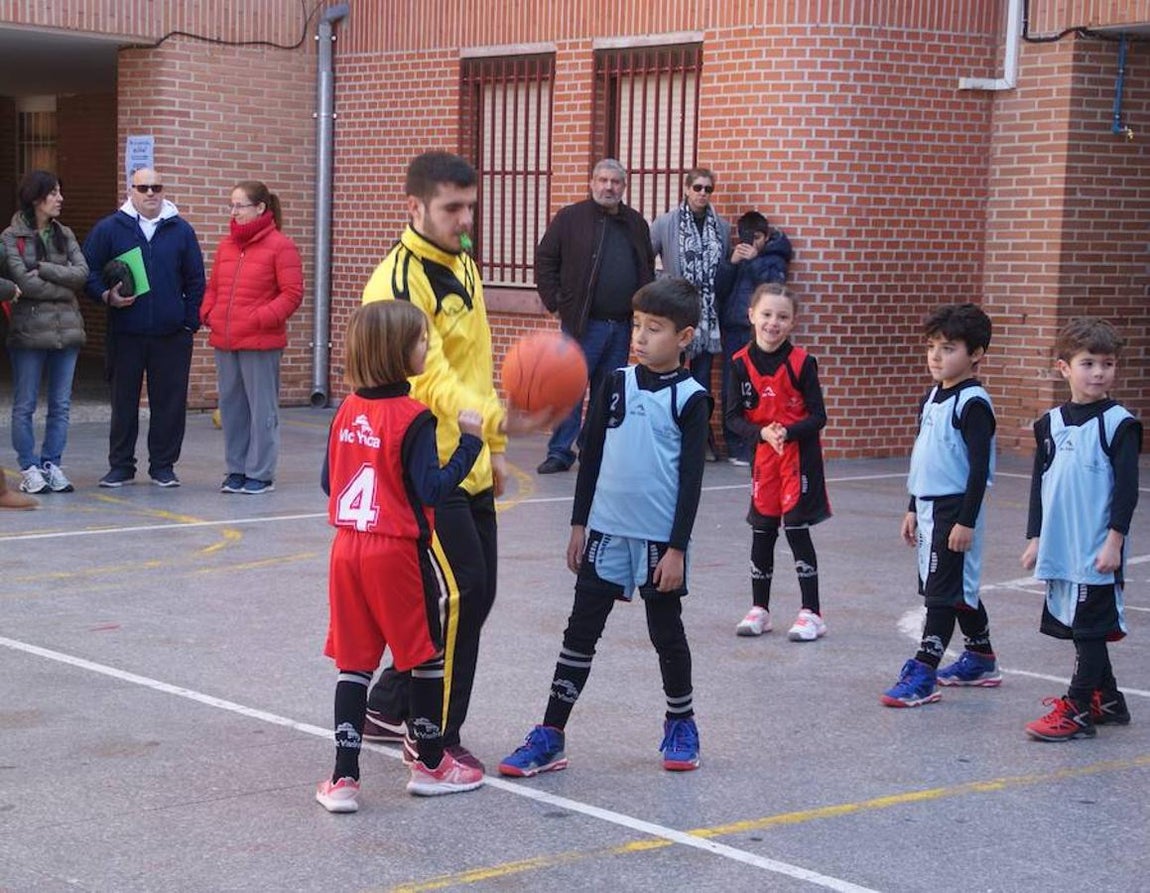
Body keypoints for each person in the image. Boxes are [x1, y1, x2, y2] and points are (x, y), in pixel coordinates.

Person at [360, 151, 548, 771]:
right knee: (460, 595)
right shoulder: (398, 282)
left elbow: (478, 359)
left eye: (471, 206)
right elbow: (431, 380)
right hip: (425, 468)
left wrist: (494, 450)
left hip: (468, 457)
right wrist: (498, 422)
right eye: (452, 208)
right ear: (414, 207)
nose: (466, 220)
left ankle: (387, 705)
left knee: (479, 593)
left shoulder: (463, 259)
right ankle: (431, 737)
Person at [498, 278, 712, 777]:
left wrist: (677, 549)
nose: (640, 337)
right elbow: (590, 456)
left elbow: (691, 482)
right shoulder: (616, 383)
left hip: (658, 540)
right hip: (606, 531)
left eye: (654, 329)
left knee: (666, 632)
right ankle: (550, 733)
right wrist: (579, 523)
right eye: (637, 326)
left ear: (684, 337)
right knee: (580, 632)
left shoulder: (692, 398)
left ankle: (681, 723)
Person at [316, 301, 486, 813]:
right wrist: (470, 445)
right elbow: (432, 489)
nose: (427, 346)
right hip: (395, 551)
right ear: (395, 352)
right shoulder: (413, 417)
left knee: (353, 664)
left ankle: (343, 779)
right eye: (420, 340)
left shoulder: (345, 410)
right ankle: (431, 764)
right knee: (425, 657)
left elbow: (329, 481)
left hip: (347, 549)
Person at [1020, 317, 1141, 741]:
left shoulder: (1119, 424)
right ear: (1064, 368)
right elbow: (1040, 485)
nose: (1099, 373)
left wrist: (1114, 542)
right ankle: (1109, 701)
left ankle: (1077, 710)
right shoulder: (1049, 424)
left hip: (1095, 548)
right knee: (1078, 627)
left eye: (1107, 364)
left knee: (1089, 629)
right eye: (1088, 363)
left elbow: (1126, 491)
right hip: (1061, 546)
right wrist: (1036, 537)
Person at [881, 303, 1000, 707]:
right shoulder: (931, 397)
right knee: (954, 588)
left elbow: (978, 469)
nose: (936, 356)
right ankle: (981, 658)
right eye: (932, 346)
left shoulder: (973, 404)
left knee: (941, 593)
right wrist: (913, 505)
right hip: (930, 506)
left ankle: (924, 670)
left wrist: (966, 520)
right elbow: (925, 457)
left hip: (955, 509)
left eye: (948, 348)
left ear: (976, 354)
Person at [83, 168, 206, 488]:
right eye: (143, 188)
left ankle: (163, 467)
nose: (150, 193)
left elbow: (196, 280)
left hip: (171, 335)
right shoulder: (109, 229)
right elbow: (88, 272)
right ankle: (121, 467)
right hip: (125, 332)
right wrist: (105, 295)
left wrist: (188, 323)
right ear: (131, 191)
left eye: (156, 187)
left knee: (169, 404)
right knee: (123, 403)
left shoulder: (181, 230)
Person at [535, 158, 655, 474]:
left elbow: (646, 268)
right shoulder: (570, 218)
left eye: (615, 182)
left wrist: (642, 314)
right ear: (591, 183)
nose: (608, 187)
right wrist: (555, 303)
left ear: (624, 187)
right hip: (582, 324)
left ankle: (593, 449)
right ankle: (560, 452)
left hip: (621, 325)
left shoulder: (635, 223)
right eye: (602, 180)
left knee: (606, 393)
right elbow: (545, 260)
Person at [726, 284, 831, 642]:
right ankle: (760, 609)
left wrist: (787, 430)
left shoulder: (802, 363)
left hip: (797, 457)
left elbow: (818, 416)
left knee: (796, 527)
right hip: (765, 457)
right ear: (751, 315)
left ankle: (812, 612)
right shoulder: (739, 363)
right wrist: (761, 433)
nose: (773, 322)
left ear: (793, 322)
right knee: (763, 529)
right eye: (767, 314)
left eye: (782, 316)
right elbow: (732, 418)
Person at [200, 180, 304, 495]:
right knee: (232, 410)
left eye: (240, 205)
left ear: (260, 208)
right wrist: (209, 312)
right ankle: (236, 470)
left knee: (262, 411)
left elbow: (292, 294)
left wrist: (259, 319)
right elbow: (214, 287)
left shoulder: (281, 246)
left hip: (260, 343)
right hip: (226, 340)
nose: (233, 212)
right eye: (231, 205)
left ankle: (260, 473)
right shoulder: (226, 246)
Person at [1, 170, 89, 495]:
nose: (60, 199)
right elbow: (24, 283)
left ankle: (52, 463)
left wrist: (46, 269)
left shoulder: (65, 233)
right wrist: (62, 285)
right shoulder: (11, 236)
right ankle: (29, 467)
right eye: (53, 193)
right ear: (36, 198)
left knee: (61, 404)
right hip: (28, 332)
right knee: (25, 403)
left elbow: (82, 273)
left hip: (68, 330)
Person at [650, 168, 730, 459]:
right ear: (686, 189)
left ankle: (698, 438)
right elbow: (645, 258)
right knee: (671, 373)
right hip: (677, 311)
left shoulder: (721, 227)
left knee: (702, 379)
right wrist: (663, 286)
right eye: (697, 187)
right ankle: (667, 436)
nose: (702, 193)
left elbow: (723, 268)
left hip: (708, 317)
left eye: (708, 189)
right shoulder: (666, 223)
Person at [714, 211, 792, 465]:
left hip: (759, 333)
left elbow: (774, 289)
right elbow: (720, 290)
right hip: (733, 330)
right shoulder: (737, 255)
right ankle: (734, 445)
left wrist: (754, 260)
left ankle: (754, 443)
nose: (752, 242)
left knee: (759, 389)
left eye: (757, 237)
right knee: (731, 388)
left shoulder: (774, 258)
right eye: (747, 237)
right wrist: (730, 264)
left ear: (766, 237)